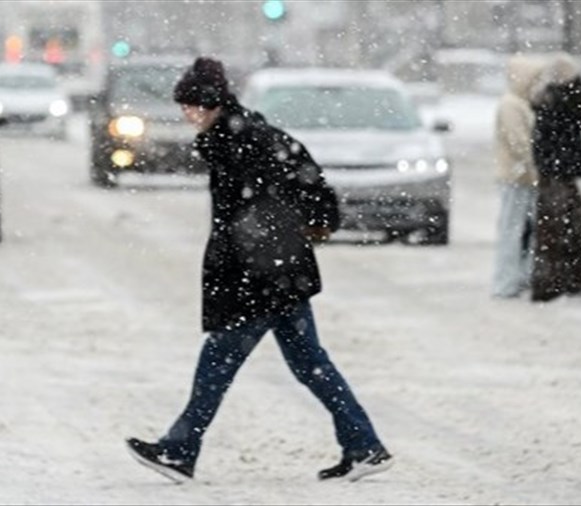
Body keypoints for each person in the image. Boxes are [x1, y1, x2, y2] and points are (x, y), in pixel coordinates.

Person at [125, 57, 392, 483]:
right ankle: (363, 445)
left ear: (210, 103)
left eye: (190, 105)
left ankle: (179, 450)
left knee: (218, 361)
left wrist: (261, 257)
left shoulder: (242, 140)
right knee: (309, 364)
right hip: (278, 272)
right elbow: (296, 184)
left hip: (262, 276)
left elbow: (272, 203)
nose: (185, 113)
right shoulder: (238, 136)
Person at [529, 53, 581, 302]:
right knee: (564, 231)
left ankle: (557, 283)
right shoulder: (562, 102)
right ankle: (560, 284)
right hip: (558, 175)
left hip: (555, 174)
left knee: (558, 230)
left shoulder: (553, 102)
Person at [491, 54, 547, 298]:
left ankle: (521, 278)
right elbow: (519, 143)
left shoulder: (521, 103)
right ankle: (506, 283)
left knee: (525, 231)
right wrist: (535, 165)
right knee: (512, 231)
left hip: (525, 177)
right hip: (516, 178)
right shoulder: (511, 105)